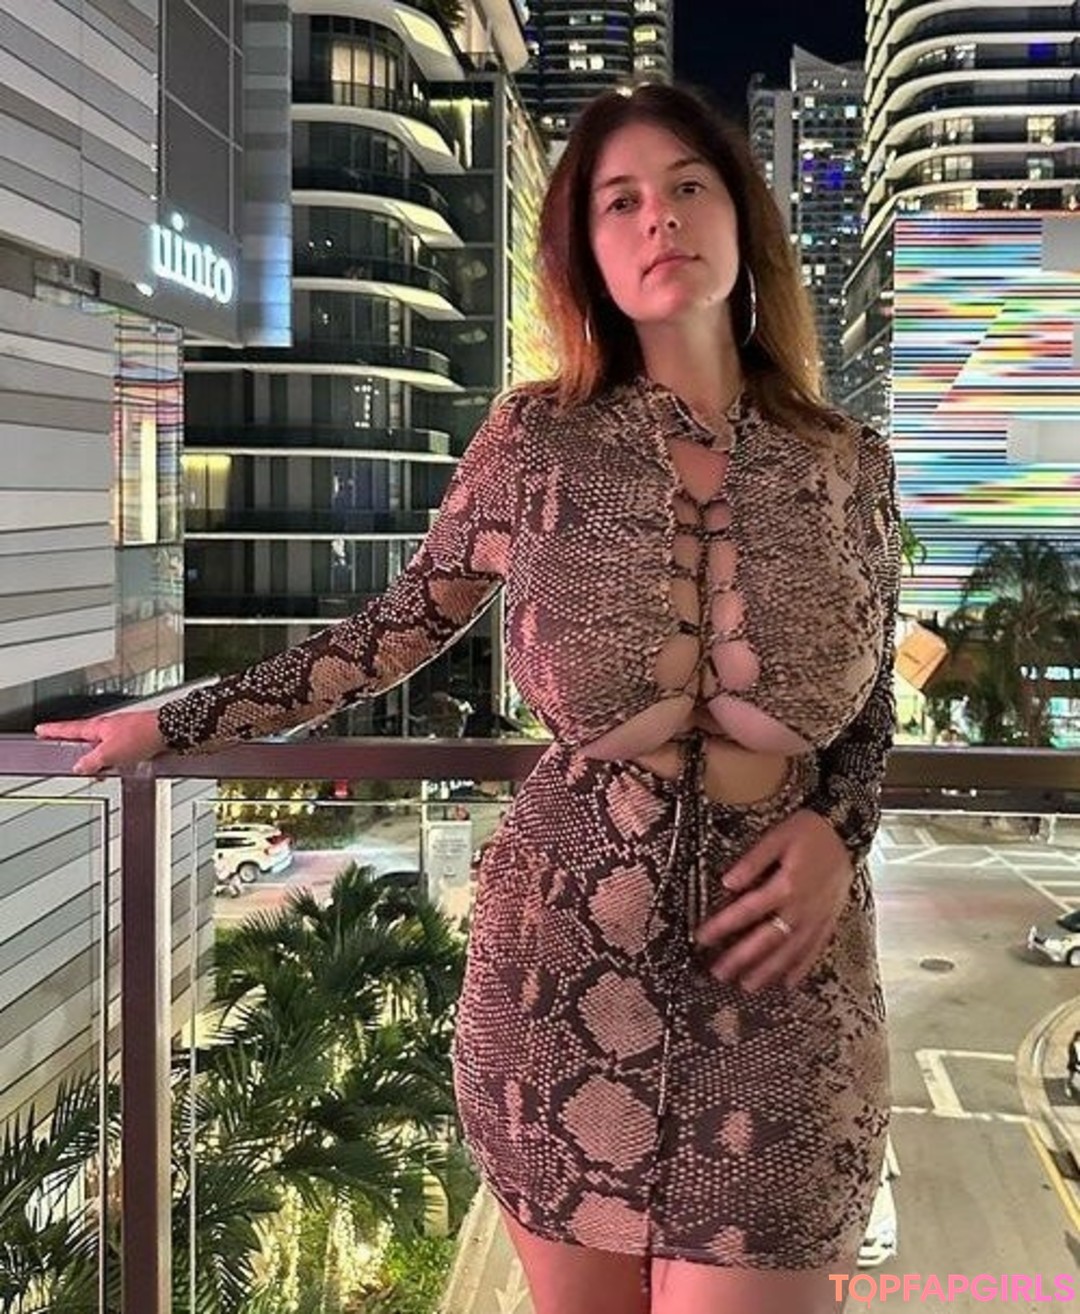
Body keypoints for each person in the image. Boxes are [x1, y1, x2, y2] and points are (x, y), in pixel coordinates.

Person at [36, 83, 899, 1314]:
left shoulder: (847, 462)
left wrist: (838, 834)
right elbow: (388, 635)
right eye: (620, 202)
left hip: (786, 986)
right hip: (562, 974)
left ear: (740, 217)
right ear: (588, 253)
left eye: (687, 186)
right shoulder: (536, 440)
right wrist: (168, 725)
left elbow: (868, 714)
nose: (659, 218)